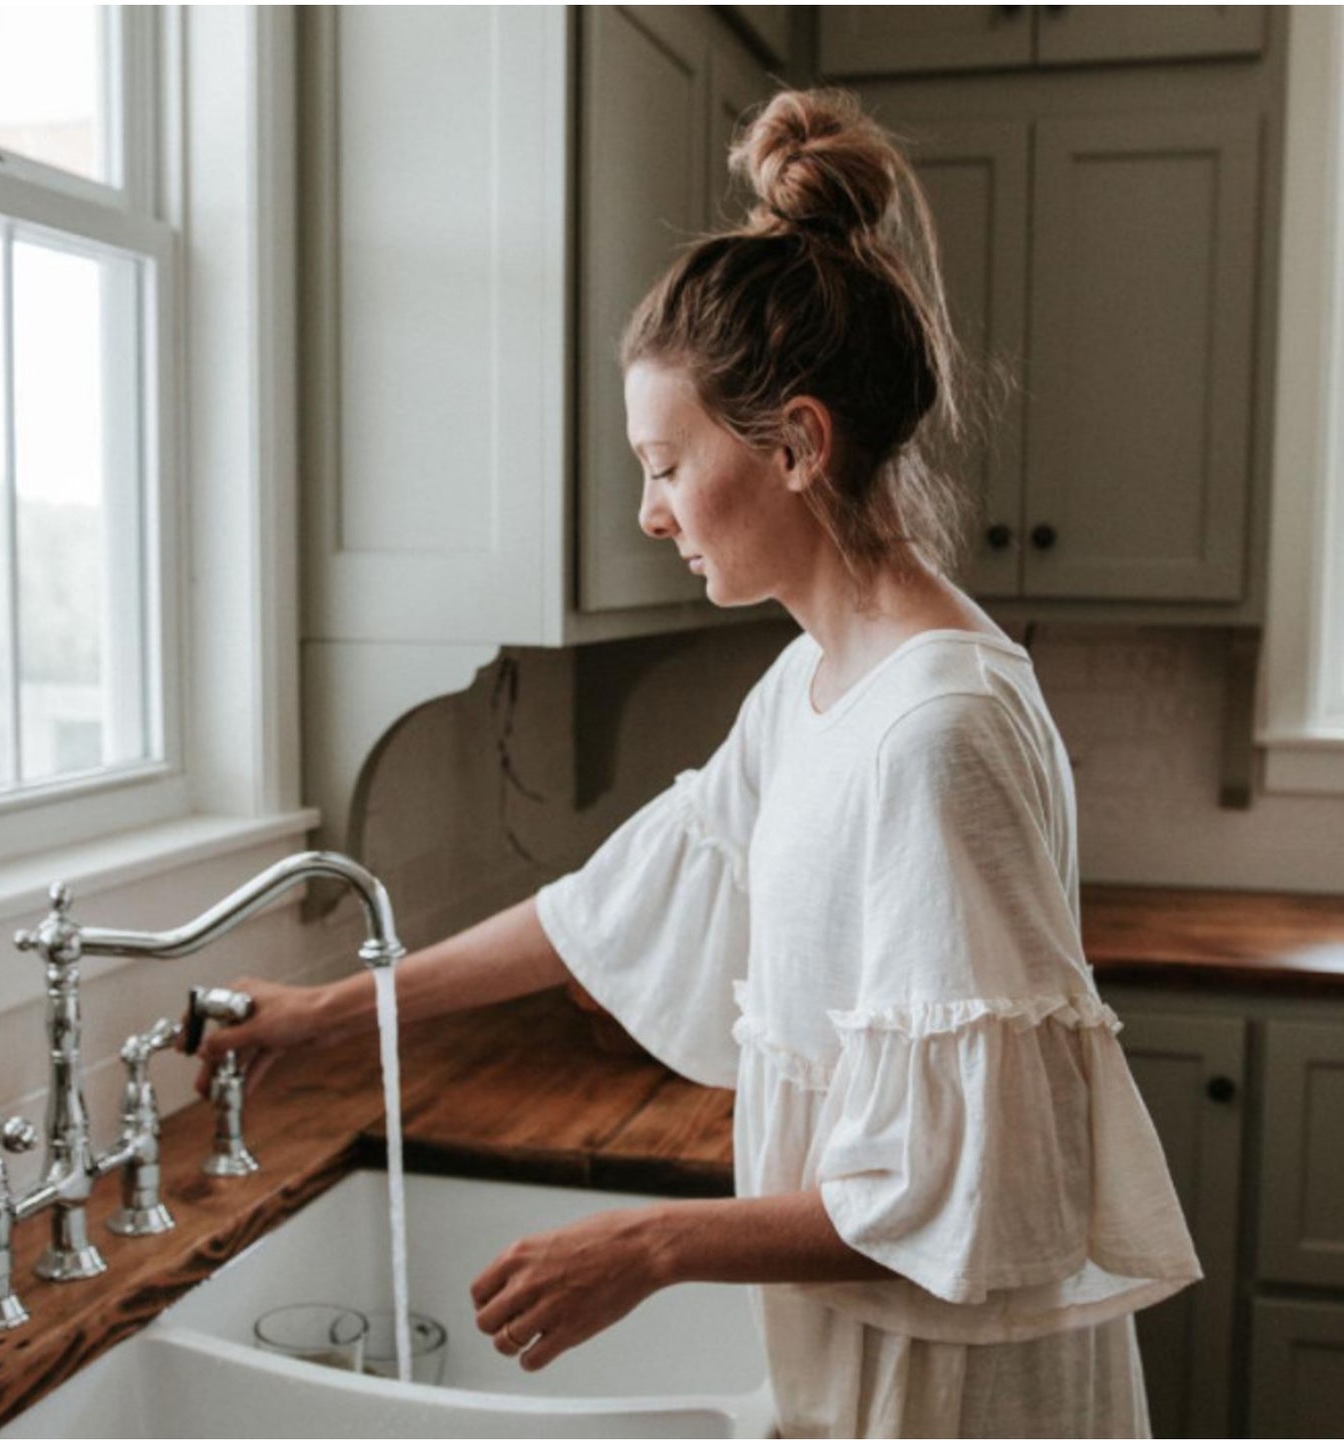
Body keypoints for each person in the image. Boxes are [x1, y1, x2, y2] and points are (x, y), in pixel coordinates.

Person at [197, 88, 1201, 1437]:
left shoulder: (935, 734)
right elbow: (604, 904)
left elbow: (975, 1187)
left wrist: (654, 1245)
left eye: (666, 462)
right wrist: (325, 1017)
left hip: (956, 1388)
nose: (647, 509)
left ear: (795, 442)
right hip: (854, 1345)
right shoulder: (815, 684)